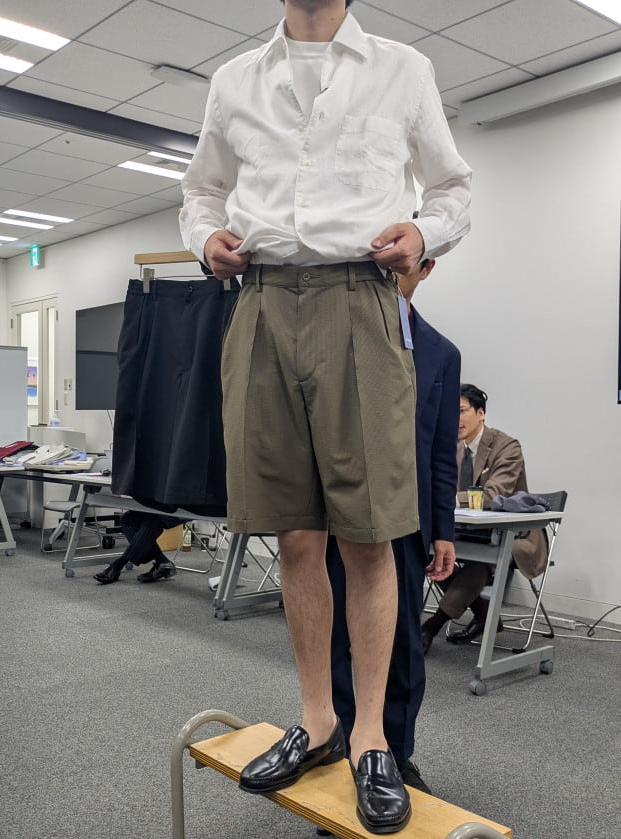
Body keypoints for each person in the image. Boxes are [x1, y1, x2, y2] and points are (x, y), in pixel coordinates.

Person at [179, 0, 471, 832]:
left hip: (358, 295)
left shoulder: (403, 68)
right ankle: (317, 720)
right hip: (261, 298)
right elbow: (201, 191)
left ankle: (371, 736)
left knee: (369, 534)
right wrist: (205, 239)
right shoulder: (235, 79)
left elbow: (453, 186)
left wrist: (424, 229)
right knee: (295, 533)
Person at [324, 258, 460, 819]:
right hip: (338, 514)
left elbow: (441, 451)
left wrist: (443, 530)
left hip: (404, 521)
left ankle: (394, 756)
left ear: (424, 267)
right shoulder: (335, 334)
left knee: (401, 644)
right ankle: (345, 753)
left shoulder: (441, 353)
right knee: (338, 639)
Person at [421, 384, 548, 653]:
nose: (454, 418)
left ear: (481, 413)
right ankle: (483, 612)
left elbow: (492, 495)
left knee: (483, 560)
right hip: (470, 532)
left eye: (461, 411)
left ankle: (431, 626)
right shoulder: (452, 448)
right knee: (421, 547)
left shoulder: (507, 447)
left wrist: (445, 499)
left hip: (513, 536)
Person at [93, 511, 179, 584]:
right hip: (157, 506)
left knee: (150, 521)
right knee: (127, 519)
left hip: (178, 506)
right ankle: (163, 562)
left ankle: (118, 565)